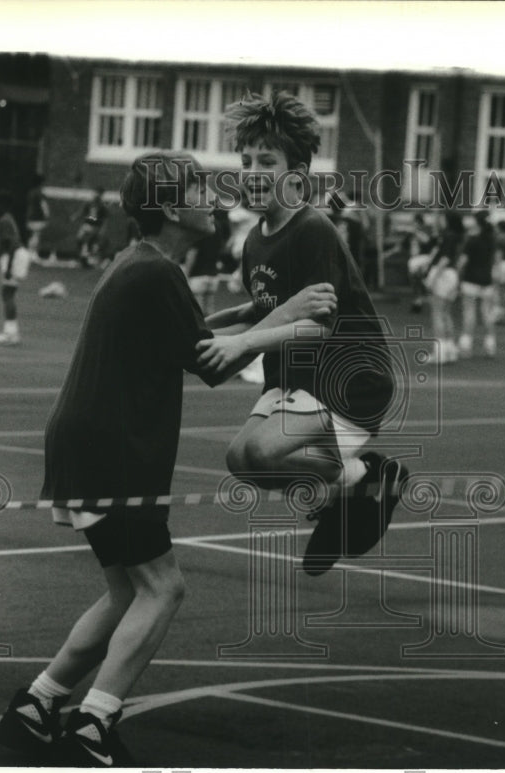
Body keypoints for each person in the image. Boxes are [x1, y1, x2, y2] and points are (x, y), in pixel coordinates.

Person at [0, 150, 337, 767]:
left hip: (88, 444)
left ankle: (37, 705)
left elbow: (193, 334)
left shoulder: (145, 264)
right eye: (202, 190)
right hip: (110, 450)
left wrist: (256, 314)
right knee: (163, 587)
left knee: (129, 591)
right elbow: (212, 362)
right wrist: (292, 317)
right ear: (175, 209)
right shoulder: (156, 271)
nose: (214, 197)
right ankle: (95, 723)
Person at [195, 91, 407, 577]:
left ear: (298, 173)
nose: (252, 172)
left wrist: (242, 343)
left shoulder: (314, 230)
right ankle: (350, 488)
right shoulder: (254, 239)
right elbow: (264, 306)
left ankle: (364, 478)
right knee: (240, 459)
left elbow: (315, 323)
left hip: (347, 378)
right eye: (246, 161)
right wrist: (206, 326)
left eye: (267, 161)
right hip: (294, 379)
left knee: (267, 451)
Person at [0, 191, 31, 346]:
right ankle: (11, 331)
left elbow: (12, 243)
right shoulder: (8, 219)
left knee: (8, 293)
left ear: (1, 205)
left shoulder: (4, 220)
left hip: (14, 256)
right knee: (8, 293)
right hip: (16, 255)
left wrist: (8, 266)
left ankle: (11, 333)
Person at [423, 211, 464, 364]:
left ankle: (439, 352)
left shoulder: (448, 236)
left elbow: (444, 258)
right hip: (452, 274)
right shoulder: (459, 237)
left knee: (437, 313)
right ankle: (450, 349)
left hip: (443, 274)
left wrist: (432, 277)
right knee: (446, 313)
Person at [457, 209, 498, 358]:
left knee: (469, 312)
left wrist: (457, 274)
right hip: (486, 280)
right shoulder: (492, 240)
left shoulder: (471, 240)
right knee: (487, 313)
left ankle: (466, 345)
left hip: (470, 279)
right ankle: (490, 344)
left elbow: (462, 262)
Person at [184, 206, 230, 315]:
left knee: (197, 313)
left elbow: (192, 254)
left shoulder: (198, 228)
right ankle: (211, 331)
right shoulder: (218, 227)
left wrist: (186, 273)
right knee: (210, 312)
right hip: (213, 275)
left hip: (197, 276)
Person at [405, 212, 437, 314]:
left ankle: (422, 296)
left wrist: (416, 232)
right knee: (416, 279)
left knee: (420, 278)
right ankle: (418, 299)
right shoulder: (412, 234)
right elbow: (403, 245)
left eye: (414, 223)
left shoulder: (425, 230)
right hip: (415, 260)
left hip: (424, 258)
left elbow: (427, 241)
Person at [76, 188, 108, 267]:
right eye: (96, 193)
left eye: (99, 194)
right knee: (79, 238)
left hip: (95, 226)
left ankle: (86, 257)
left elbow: (104, 219)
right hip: (87, 224)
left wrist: (102, 229)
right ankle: (83, 256)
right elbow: (83, 212)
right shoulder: (89, 203)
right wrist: (75, 216)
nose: (96, 195)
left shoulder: (102, 206)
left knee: (89, 241)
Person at [25, 173, 51, 261]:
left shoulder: (30, 192)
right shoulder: (39, 193)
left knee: (32, 235)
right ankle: (33, 254)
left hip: (30, 216)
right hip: (37, 217)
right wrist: (47, 215)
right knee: (36, 235)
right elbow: (43, 205)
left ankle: (30, 253)